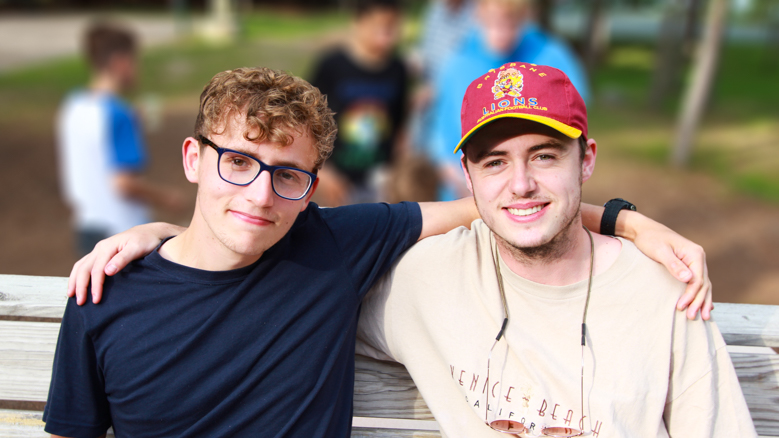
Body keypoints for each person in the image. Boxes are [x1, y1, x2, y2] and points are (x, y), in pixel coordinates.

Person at [60, 68, 713, 436]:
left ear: (313, 187)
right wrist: (155, 235)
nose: (260, 195)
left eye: (288, 174)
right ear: (192, 159)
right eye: (237, 163)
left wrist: (630, 224)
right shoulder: (104, 295)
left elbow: (504, 207)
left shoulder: (332, 244)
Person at [356, 63, 755, 437]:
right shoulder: (425, 279)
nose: (521, 184)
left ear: (586, 160)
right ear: (467, 175)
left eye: (544, 156)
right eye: (495, 163)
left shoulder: (665, 295)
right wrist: (626, 220)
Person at [428, 0, 589, 201]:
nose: (502, 33)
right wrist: (456, 178)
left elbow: (574, 121)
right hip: (463, 193)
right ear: (479, 17)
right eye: (494, 23)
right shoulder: (458, 62)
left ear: (524, 19)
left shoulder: (551, 55)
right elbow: (440, 132)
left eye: (510, 23)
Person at [56, 21, 185, 256]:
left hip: (86, 225)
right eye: (135, 60)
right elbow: (123, 184)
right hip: (121, 229)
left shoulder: (74, 106)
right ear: (120, 62)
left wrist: (129, 119)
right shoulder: (119, 114)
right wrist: (166, 197)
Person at [309, 0, 409, 205]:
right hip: (335, 181)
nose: (387, 36)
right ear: (358, 22)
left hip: (380, 181)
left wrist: (398, 174)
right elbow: (306, 121)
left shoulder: (398, 69)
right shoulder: (331, 66)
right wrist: (322, 171)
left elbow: (399, 128)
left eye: (392, 27)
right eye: (379, 27)